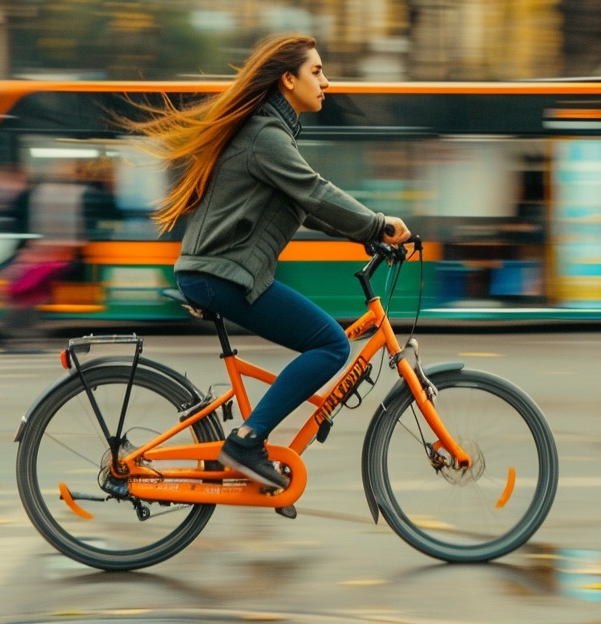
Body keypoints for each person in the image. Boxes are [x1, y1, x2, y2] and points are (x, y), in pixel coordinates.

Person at [131, 34, 411, 489]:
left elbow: (308, 207)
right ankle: (246, 441)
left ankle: (249, 442)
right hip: (222, 274)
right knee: (332, 346)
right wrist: (377, 224)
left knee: (324, 343)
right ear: (288, 79)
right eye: (316, 71)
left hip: (220, 273)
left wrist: (363, 235)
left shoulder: (270, 133)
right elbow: (317, 191)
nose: (327, 82)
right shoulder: (266, 135)